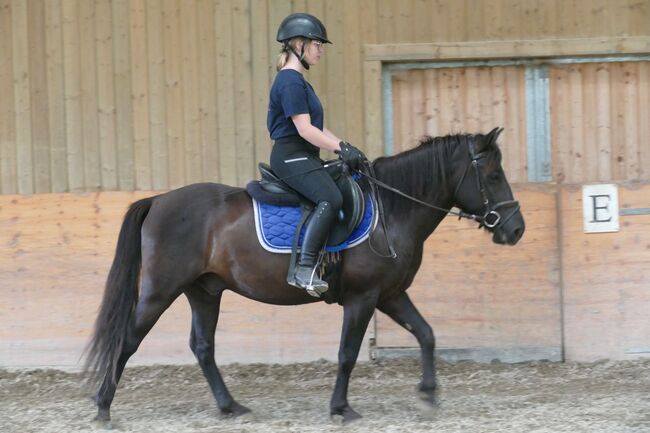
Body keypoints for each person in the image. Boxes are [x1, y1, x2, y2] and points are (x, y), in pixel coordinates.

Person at [267, 13, 365, 297]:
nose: (321, 49)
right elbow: (304, 129)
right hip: (291, 155)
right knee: (330, 198)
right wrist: (338, 148)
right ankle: (304, 269)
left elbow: (318, 128)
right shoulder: (290, 82)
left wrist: (346, 146)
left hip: (303, 154)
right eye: (317, 43)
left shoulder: (299, 82)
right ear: (298, 44)